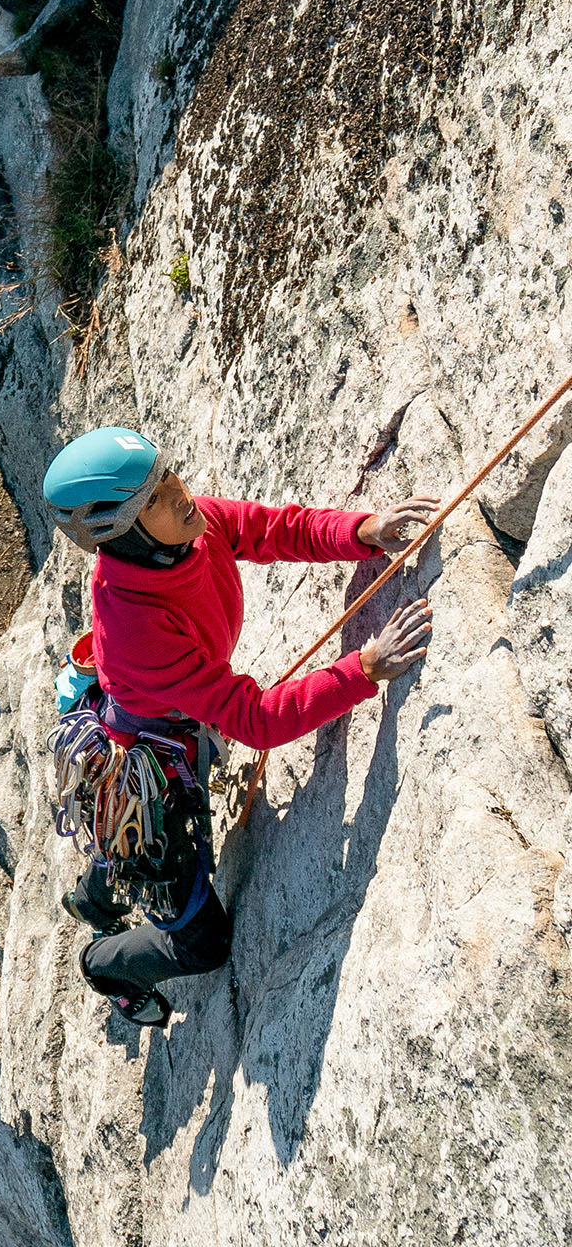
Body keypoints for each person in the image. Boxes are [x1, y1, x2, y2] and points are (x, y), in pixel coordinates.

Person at [43, 426, 437, 1027]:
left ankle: (92, 897)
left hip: (163, 717)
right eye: (153, 498)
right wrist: (362, 670)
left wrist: (362, 531)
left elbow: (270, 529)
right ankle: (105, 963)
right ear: (118, 533)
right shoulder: (136, 628)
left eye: (167, 474)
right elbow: (255, 719)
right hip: (152, 756)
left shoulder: (185, 532)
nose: (180, 492)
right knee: (203, 944)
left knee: (129, 840)